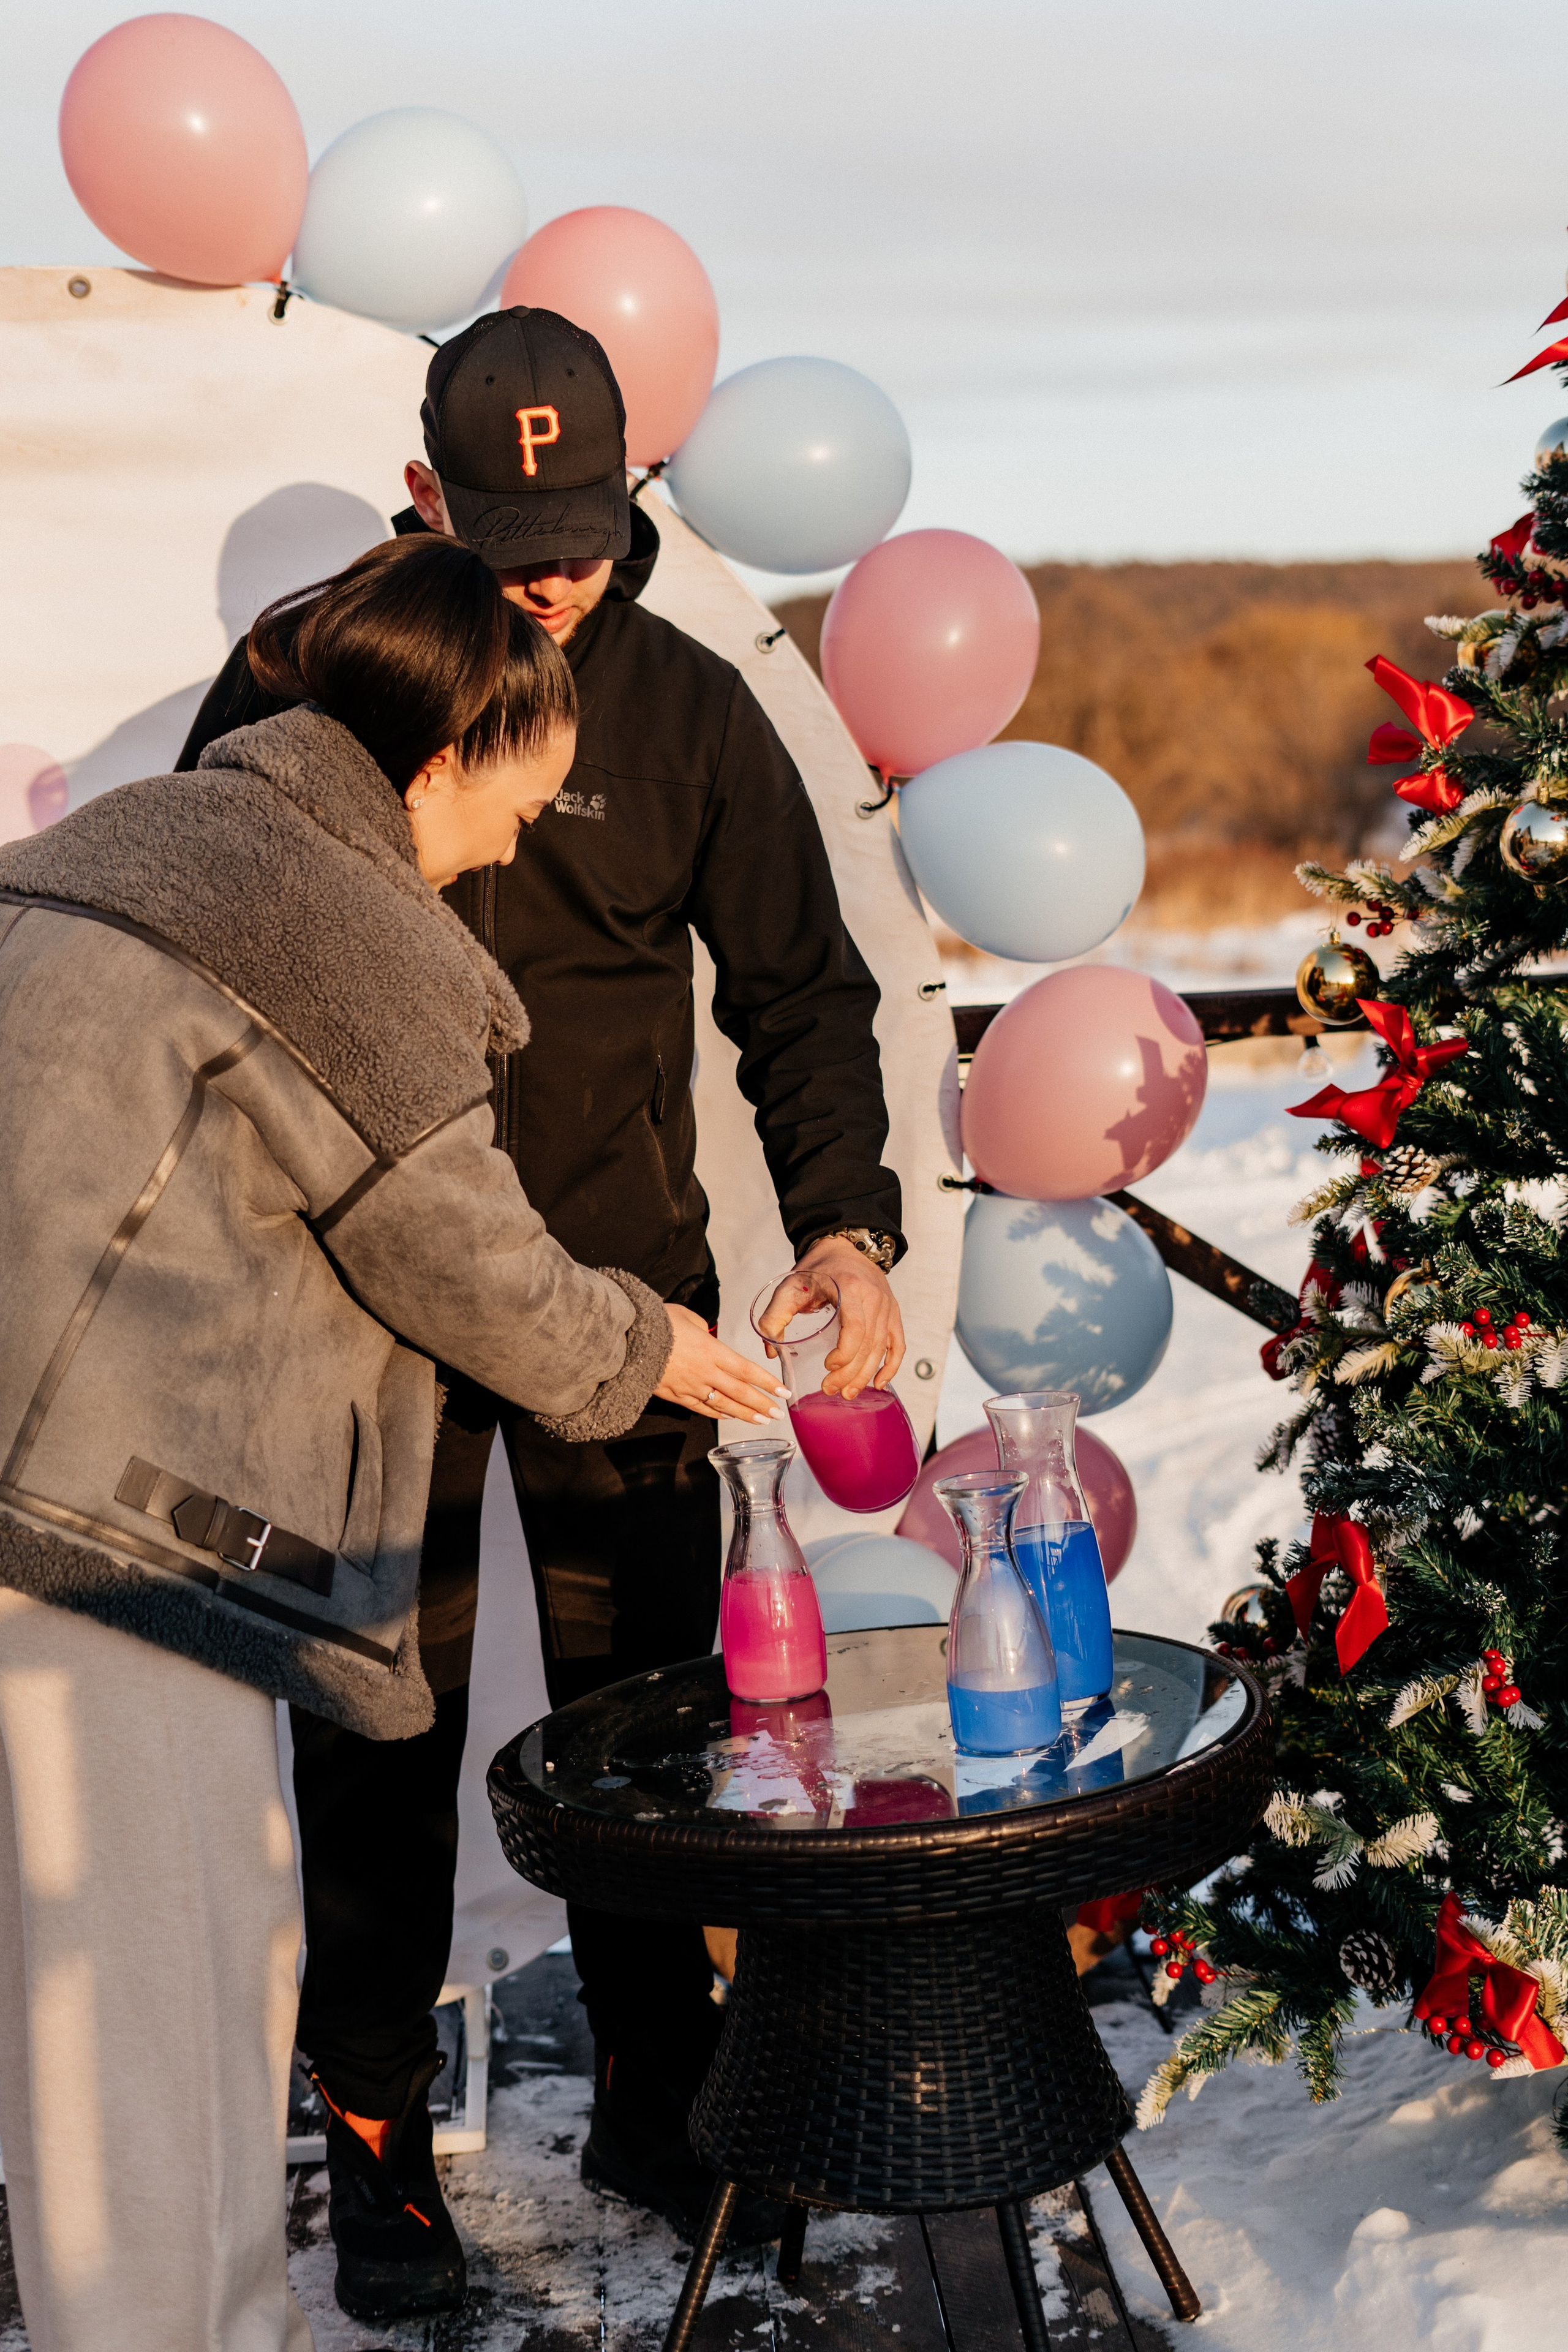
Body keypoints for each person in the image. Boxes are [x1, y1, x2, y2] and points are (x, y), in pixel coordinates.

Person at [178, 306, 907, 2305]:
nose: (554, 571)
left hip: (625, 1311)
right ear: (425, 497)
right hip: (362, 1319)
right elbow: (192, 971)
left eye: (583, 526)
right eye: (508, 531)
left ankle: (667, 2105)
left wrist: (847, 1225)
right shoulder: (294, 684)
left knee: (651, 1736)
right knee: (375, 1748)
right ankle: (382, 2149)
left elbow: (802, 991)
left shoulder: (682, 709)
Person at [0, 535, 785, 2352]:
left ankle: (211, 2315)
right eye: (520, 794)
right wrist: (651, 1345)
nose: (519, 841)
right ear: (438, 761)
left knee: (131, 1959)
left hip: (46, 1468)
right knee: (145, 1977)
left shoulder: (129, 837)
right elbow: (476, 1270)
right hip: (86, 1514)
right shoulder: (350, 936)